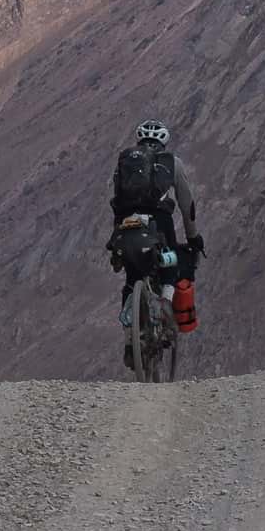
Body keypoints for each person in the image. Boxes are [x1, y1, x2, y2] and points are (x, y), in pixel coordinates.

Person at [109, 119, 205, 360]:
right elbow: (187, 205)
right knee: (171, 265)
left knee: (131, 280)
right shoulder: (173, 163)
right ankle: (164, 305)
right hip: (159, 224)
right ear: (164, 141)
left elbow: (117, 201)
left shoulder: (125, 162)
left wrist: (115, 238)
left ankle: (129, 340)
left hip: (127, 225)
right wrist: (193, 237)